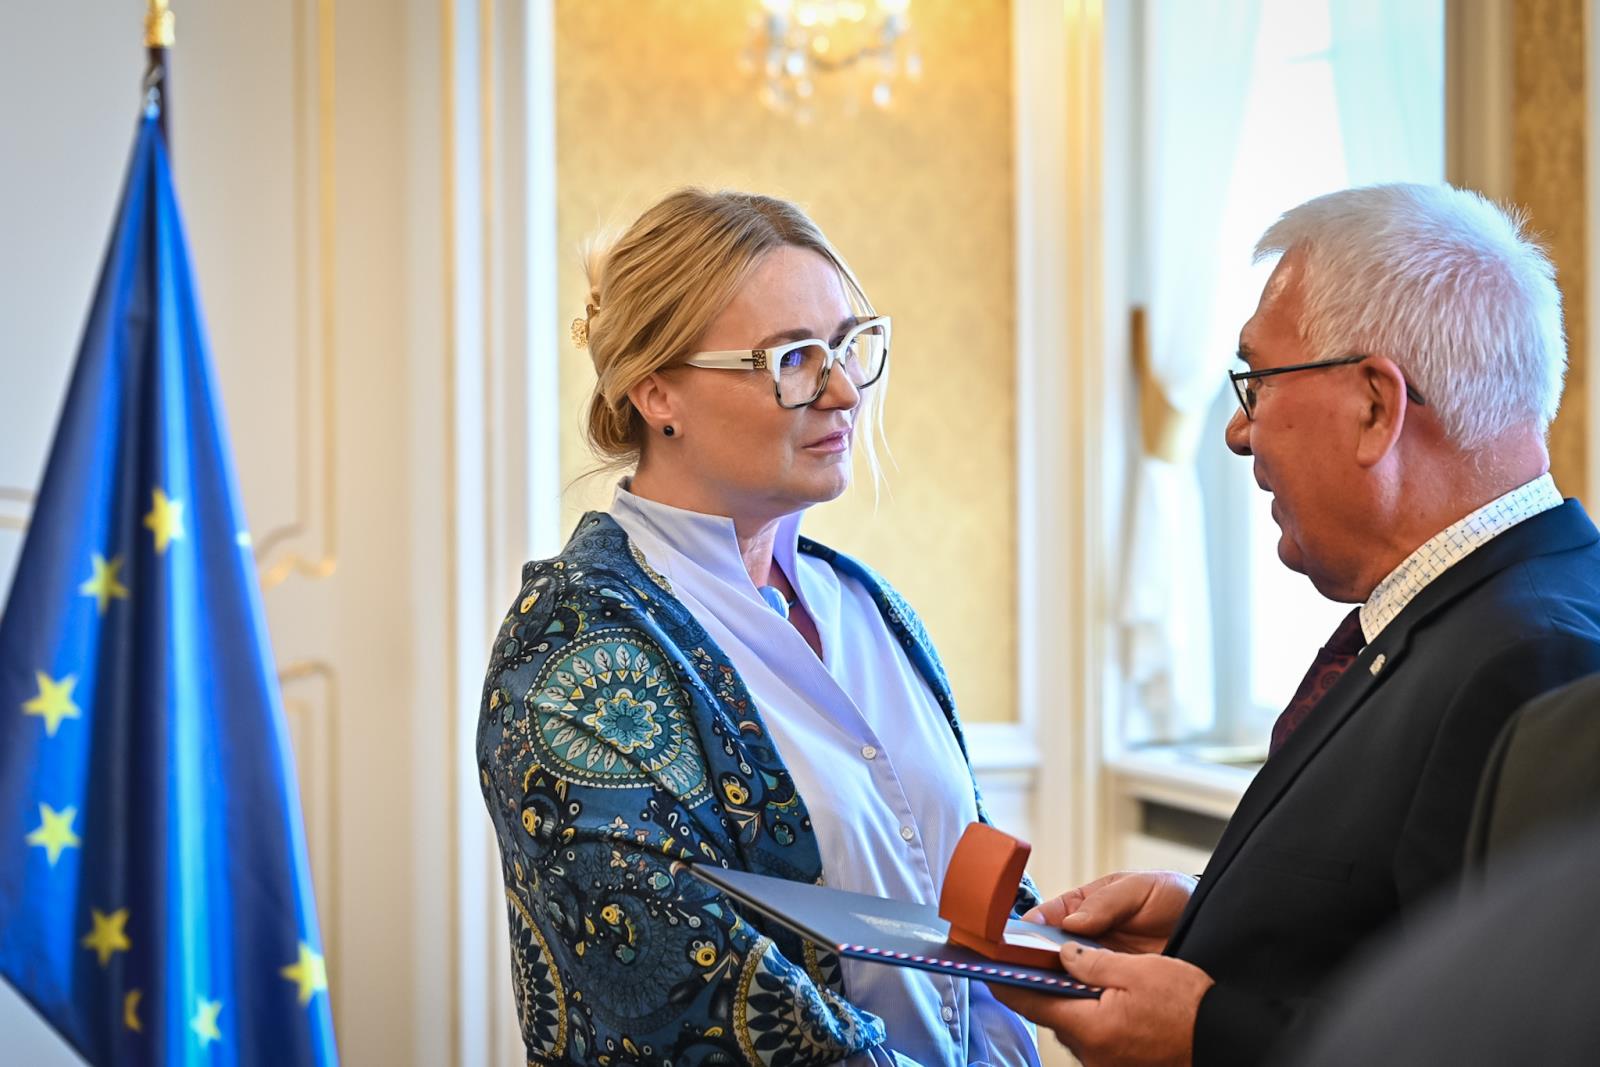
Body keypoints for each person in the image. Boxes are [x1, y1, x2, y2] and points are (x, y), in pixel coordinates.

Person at [994, 183, 1600, 1066]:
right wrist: (1207, 914)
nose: (1238, 433)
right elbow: (1402, 919)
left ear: (1374, 406)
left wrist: (1204, 1033)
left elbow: (1509, 1039)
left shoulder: (1538, 657)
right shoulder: (1461, 611)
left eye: (1257, 382)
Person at [477, 188, 1039, 1066]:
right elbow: (702, 1010)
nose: (844, 390)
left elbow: (949, 896)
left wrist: (1075, 945)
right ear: (657, 391)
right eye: (794, 358)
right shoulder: (574, 651)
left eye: (849, 345)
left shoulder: (868, 606)